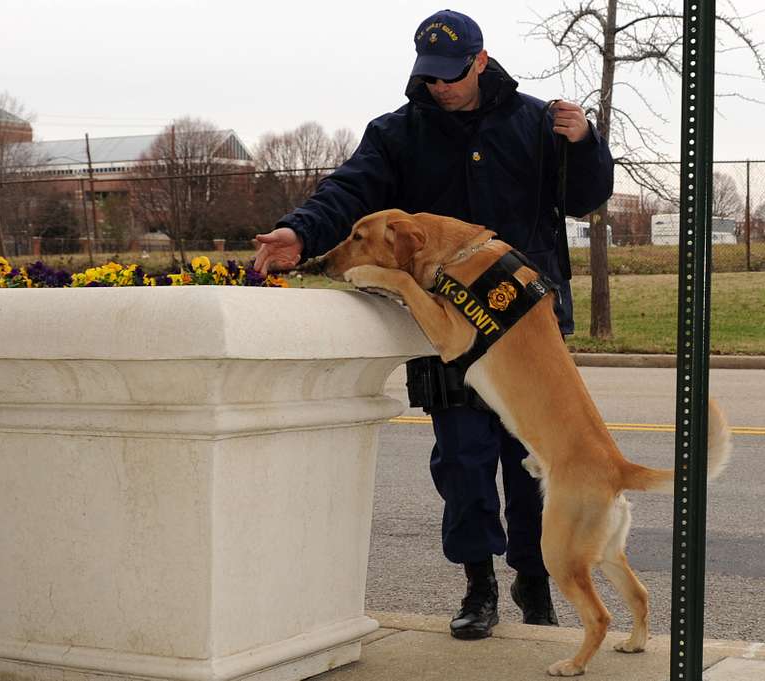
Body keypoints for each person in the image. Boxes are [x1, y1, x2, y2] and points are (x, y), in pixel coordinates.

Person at [253, 9, 613, 640]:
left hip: (522, 321)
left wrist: (583, 142)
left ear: (480, 61)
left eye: (452, 74)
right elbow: (349, 191)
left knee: (531, 464)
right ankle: (479, 586)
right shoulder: (397, 133)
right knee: (463, 462)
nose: (441, 86)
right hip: (444, 325)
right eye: (430, 76)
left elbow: (583, 198)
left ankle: (533, 583)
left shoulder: (534, 122)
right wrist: (299, 230)